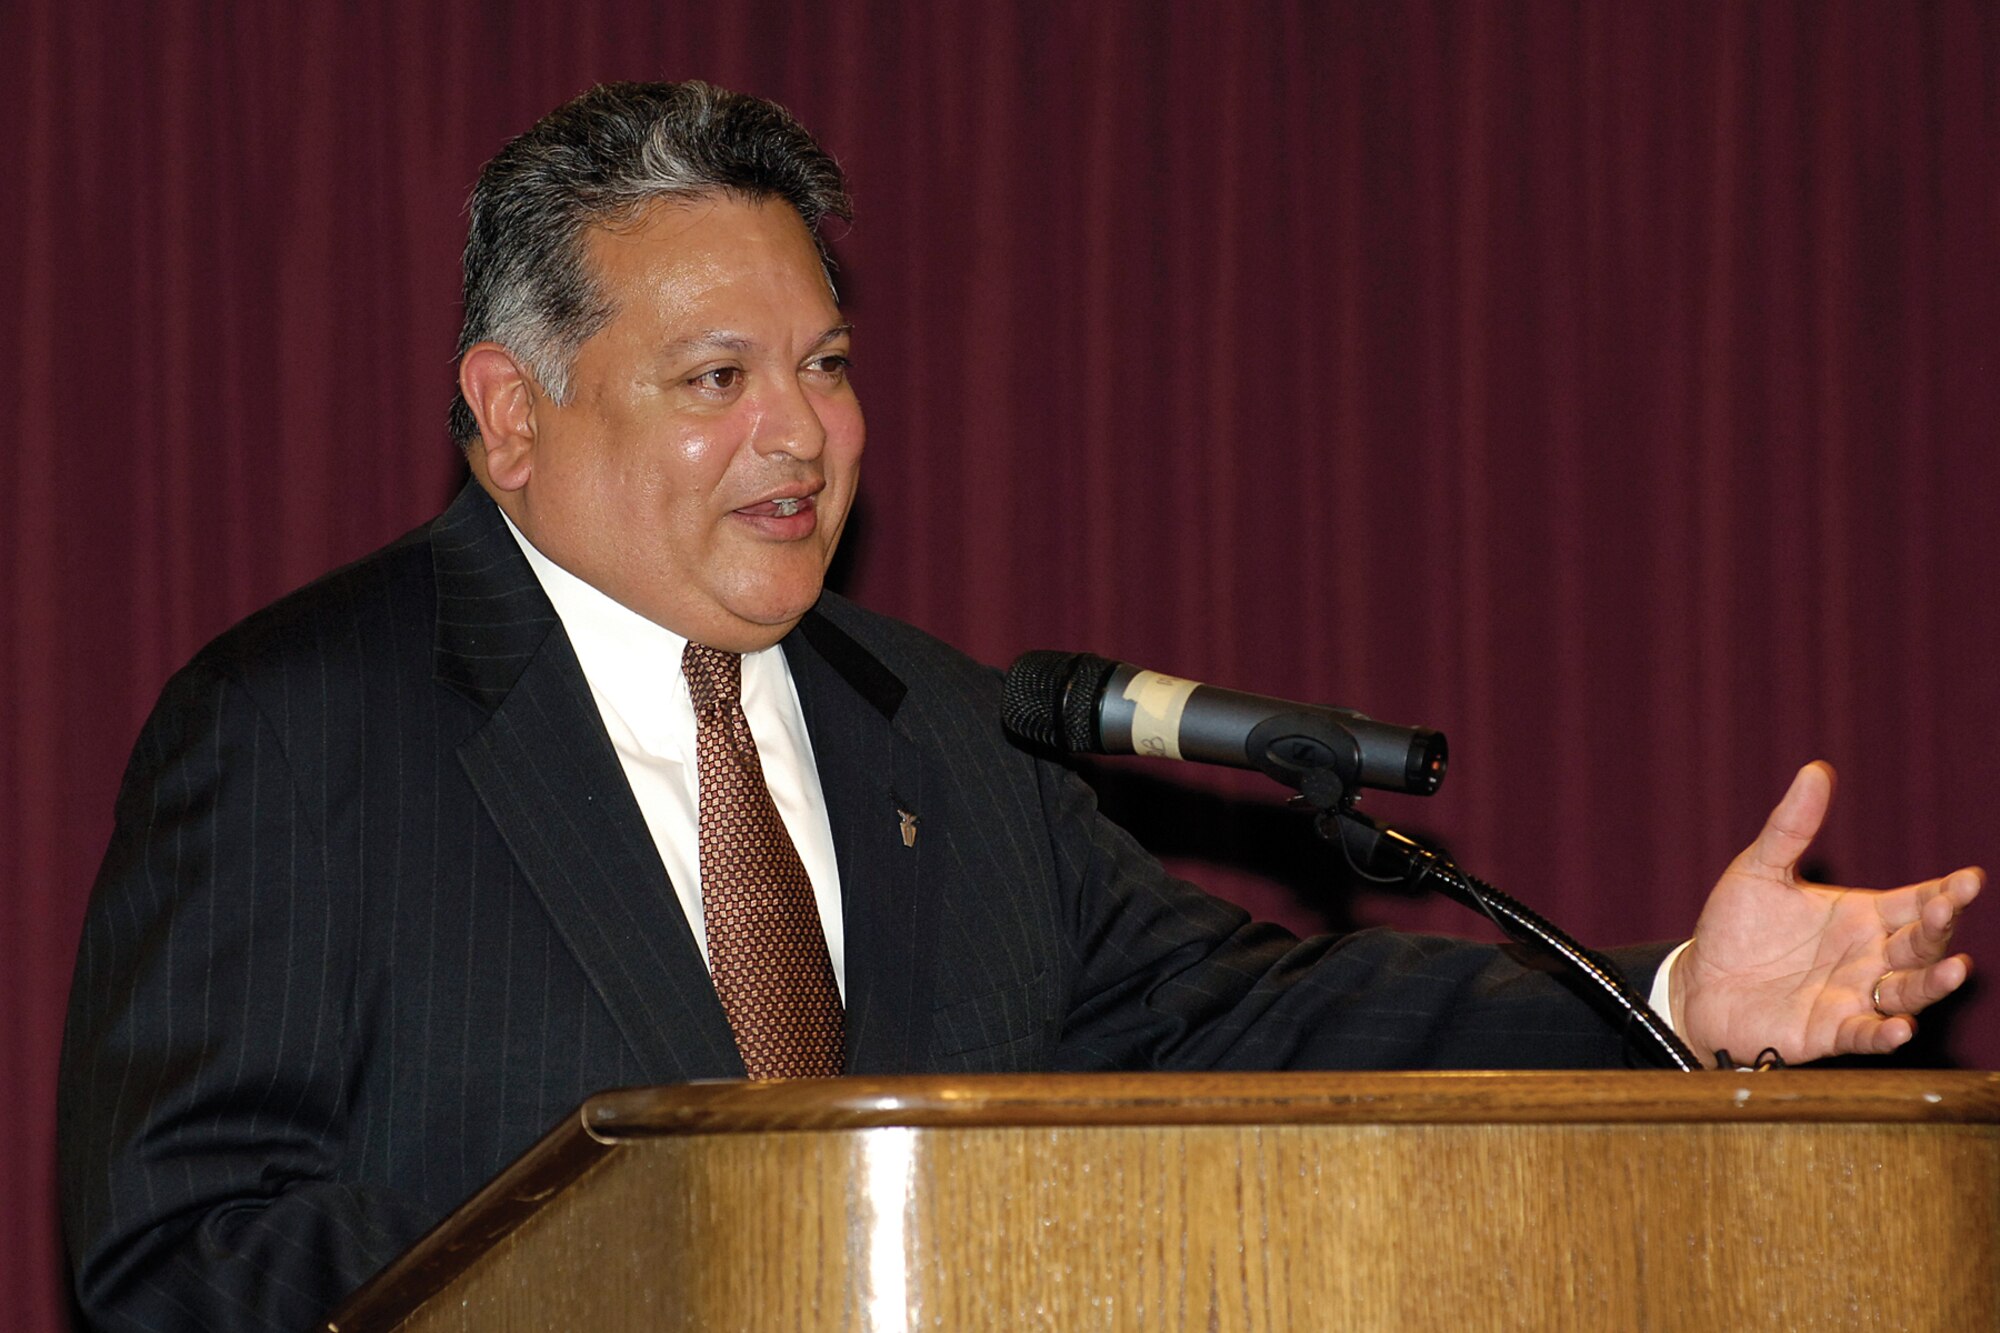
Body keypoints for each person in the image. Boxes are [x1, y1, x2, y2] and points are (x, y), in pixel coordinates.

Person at [57, 80, 1981, 1332]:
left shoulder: (939, 730)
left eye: (822, 363)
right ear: (510, 413)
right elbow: (174, 1262)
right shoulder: (300, 729)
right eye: (716, 374)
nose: (799, 432)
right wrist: (627, 1269)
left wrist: (1667, 995)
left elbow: (1250, 1015)